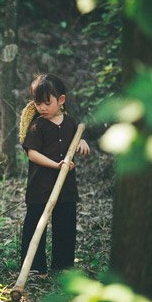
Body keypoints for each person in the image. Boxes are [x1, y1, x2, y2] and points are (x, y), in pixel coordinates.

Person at [18, 74, 90, 276]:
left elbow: (76, 138)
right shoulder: (37, 125)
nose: (42, 108)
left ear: (61, 100)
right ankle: (34, 266)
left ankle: (63, 266)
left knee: (65, 225)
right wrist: (56, 166)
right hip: (40, 186)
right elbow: (32, 154)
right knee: (34, 224)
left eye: (47, 103)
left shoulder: (70, 123)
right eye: (38, 103)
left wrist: (82, 142)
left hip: (65, 188)